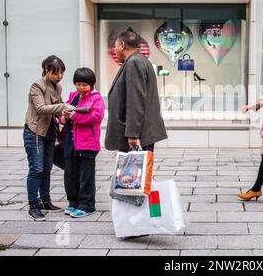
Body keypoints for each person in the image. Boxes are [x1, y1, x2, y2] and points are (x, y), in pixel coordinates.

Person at [24, 55, 75, 221]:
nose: (59, 76)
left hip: (50, 132)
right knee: (36, 169)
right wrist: (63, 106)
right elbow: (40, 108)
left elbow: (58, 108)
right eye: (56, 73)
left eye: (61, 73)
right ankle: (33, 205)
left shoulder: (58, 87)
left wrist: (68, 112)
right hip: (35, 132)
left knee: (46, 168)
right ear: (47, 70)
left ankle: (45, 201)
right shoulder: (37, 86)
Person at [105, 30, 167, 153]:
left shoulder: (134, 62)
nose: (115, 51)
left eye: (115, 47)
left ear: (122, 45)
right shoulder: (141, 60)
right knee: (141, 171)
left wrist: (132, 134)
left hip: (137, 136)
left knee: (134, 172)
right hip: (141, 133)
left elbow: (135, 101)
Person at [60, 68, 105, 218]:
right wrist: (64, 118)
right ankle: (73, 203)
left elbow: (95, 118)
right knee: (70, 174)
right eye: (78, 84)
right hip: (70, 142)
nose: (81, 87)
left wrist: (73, 116)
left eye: (84, 85)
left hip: (87, 144)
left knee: (86, 176)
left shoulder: (96, 98)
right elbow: (63, 113)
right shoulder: (72, 96)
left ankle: (87, 205)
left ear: (91, 85)